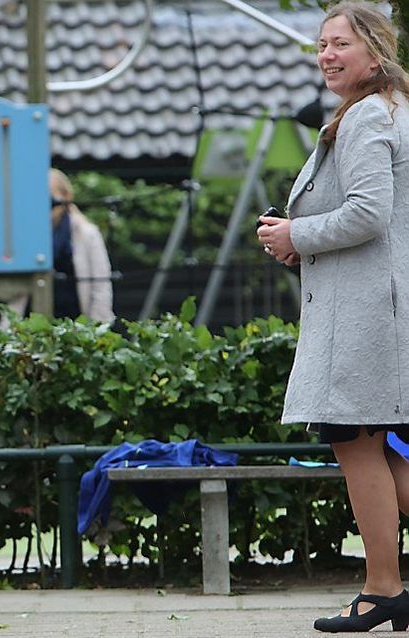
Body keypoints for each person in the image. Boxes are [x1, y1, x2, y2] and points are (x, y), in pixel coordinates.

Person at [256, 2, 409, 632]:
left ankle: (382, 589)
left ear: (376, 52)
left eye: (340, 44)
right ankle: (386, 590)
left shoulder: (370, 115)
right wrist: (303, 240)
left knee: (357, 444)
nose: (326, 55)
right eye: (321, 45)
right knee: (383, 452)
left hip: (365, 315)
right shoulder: (388, 110)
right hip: (374, 305)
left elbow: (369, 213)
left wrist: (297, 232)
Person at [1, 169, 114, 326]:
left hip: (77, 325)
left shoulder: (87, 233)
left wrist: (97, 329)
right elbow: (5, 291)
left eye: (48, 198)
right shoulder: (23, 234)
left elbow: (101, 286)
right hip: (27, 326)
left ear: (65, 196)